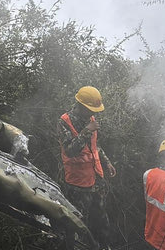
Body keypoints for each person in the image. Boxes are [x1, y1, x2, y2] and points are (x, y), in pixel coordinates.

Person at [57, 86, 116, 248]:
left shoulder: (90, 120)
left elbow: (95, 146)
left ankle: (104, 246)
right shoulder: (65, 122)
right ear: (81, 106)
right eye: (91, 109)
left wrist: (107, 162)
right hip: (77, 184)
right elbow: (70, 151)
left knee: (101, 219)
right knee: (78, 222)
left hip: (95, 180)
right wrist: (85, 132)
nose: (94, 114)